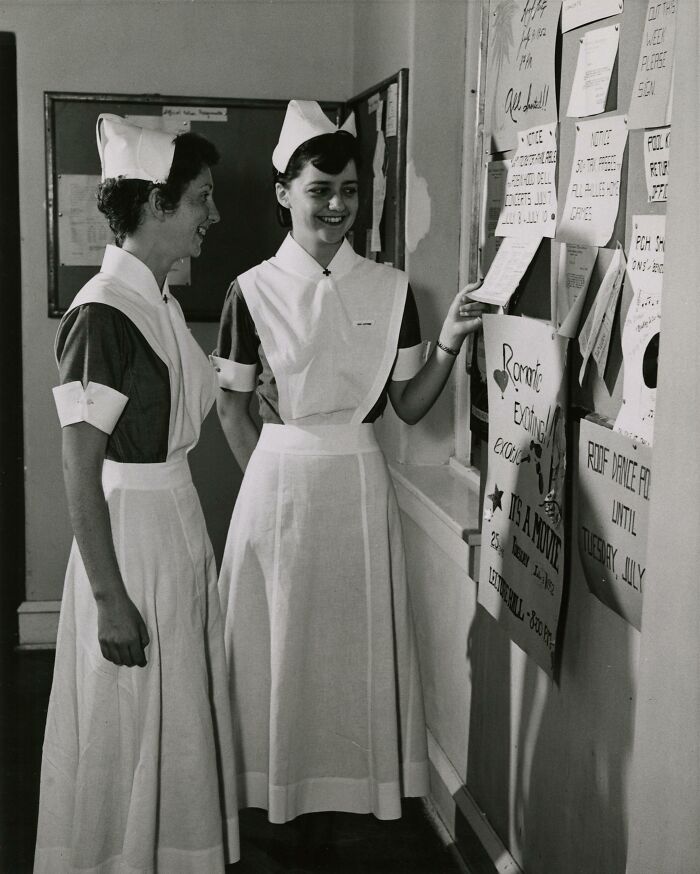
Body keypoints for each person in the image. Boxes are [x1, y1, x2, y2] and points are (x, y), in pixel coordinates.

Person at [212, 100, 484, 847]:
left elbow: (408, 405)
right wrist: (264, 489)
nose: (337, 206)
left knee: (350, 648)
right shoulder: (252, 291)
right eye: (320, 190)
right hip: (279, 487)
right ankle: (270, 794)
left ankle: (351, 792)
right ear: (283, 193)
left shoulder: (391, 290)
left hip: (359, 485)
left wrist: (451, 345)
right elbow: (231, 409)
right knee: (277, 644)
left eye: (351, 191)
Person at [34, 115, 239, 873]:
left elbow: (196, 381)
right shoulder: (101, 314)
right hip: (128, 540)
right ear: (157, 203)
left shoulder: (160, 301)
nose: (211, 218)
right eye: (200, 202)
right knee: (130, 715)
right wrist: (110, 598)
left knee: (176, 709)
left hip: (174, 526)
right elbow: (76, 469)